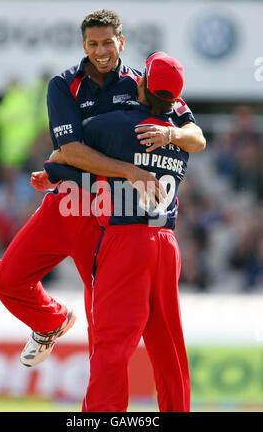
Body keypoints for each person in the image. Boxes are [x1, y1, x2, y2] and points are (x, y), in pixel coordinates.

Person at [0, 9, 205, 368]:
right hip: (65, 204)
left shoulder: (143, 82)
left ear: (122, 41)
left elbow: (196, 136)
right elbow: (72, 149)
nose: (101, 50)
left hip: (107, 214)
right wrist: (115, 171)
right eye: (93, 43)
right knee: (7, 278)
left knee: (101, 324)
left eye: (108, 42)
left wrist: (171, 134)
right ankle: (51, 321)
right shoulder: (63, 84)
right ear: (84, 44)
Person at [76, 52, 203, 412]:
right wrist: (173, 131)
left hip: (127, 239)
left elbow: (70, 149)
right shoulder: (178, 136)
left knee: (112, 345)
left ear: (143, 83)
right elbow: (198, 137)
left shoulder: (118, 124)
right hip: (167, 243)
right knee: (170, 349)